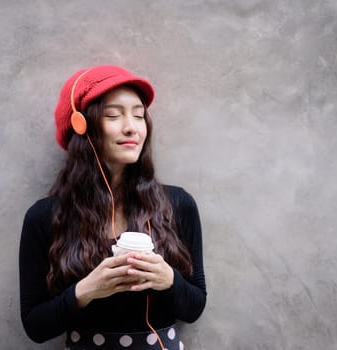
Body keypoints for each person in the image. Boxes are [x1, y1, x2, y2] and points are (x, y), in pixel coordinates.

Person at [19, 65, 207, 350]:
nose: (131, 126)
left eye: (139, 115)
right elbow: (34, 325)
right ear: (82, 126)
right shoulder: (44, 216)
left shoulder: (179, 204)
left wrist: (168, 279)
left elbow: (195, 308)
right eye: (113, 115)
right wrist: (87, 290)